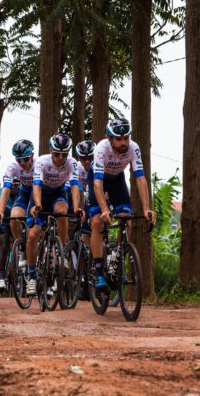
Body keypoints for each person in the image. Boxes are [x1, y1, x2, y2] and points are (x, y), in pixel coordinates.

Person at [89, 118, 155, 292]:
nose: (123, 142)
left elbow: (140, 178)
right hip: (98, 179)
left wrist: (146, 208)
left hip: (117, 179)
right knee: (97, 221)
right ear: (109, 138)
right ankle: (97, 270)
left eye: (126, 138)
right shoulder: (101, 149)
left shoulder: (133, 148)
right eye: (119, 139)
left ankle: (115, 259)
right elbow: (97, 185)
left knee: (127, 220)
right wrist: (104, 210)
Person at [25, 133, 85, 296]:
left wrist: (77, 208)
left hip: (58, 193)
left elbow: (74, 186)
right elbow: (36, 185)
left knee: (63, 212)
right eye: (57, 154)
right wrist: (38, 204)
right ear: (51, 151)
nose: (60, 158)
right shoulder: (41, 162)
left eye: (64, 154)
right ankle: (31, 276)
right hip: (41, 194)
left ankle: (62, 252)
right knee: (33, 235)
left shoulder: (72, 163)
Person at [0, 139, 35, 246]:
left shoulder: (39, 164)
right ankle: (21, 247)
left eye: (25, 159)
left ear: (32, 156)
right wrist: (0, 212)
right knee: (14, 218)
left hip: (40, 193)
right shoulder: (12, 167)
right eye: (19, 160)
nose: (22, 163)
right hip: (25, 192)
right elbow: (6, 189)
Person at [0, 178, 19, 294]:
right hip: (3, 221)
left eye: (17, 185)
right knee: (4, 245)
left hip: (18, 221)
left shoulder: (22, 192)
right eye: (12, 186)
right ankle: (1, 278)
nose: (15, 188)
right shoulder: (1, 193)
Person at [75, 140, 96, 247]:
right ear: (79, 158)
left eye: (90, 158)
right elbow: (76, 189)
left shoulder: (98, 165)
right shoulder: (77, 167)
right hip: (84, 192)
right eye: (84, 158)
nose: (87, 161)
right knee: (84, 228)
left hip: (98, 193)